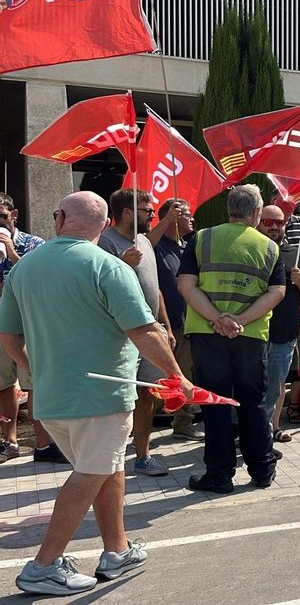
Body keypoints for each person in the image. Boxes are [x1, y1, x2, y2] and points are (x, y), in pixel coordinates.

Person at [1, 191, 191, 595]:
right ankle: (43, 565)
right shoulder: (108, 266)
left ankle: (117, 549)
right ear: (105, 226)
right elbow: (143, 331)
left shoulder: (24, 267)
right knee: (93, 471)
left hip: (52, 397)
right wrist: (178, 377)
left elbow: (9, 337)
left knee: (107, 467)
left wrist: (35, 367)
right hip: (103, 393)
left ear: (59, 219)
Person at [179, 184, 286, 494]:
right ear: (255, 213)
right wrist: (240, 320)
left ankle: (219, 475)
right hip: (251, 336)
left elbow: (186, 285)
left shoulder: (201, 238)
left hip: (206, 333)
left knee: (215, 405)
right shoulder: (269, 247)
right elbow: (277, 292)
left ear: (229, 210)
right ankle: (262, 469)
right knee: (253, 404)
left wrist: (216, 318)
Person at [97, 189, 174, 478]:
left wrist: (164, 324)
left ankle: (143, 456)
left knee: (146, 394)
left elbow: (155, 286)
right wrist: (123, 265)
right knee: (122, 397)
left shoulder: (144, 240)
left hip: (150, 330)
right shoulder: (105, 242)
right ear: (127, 212)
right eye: (147, 210)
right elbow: (101, 288)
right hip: (122, 335)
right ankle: (109, 458)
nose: (152, 215)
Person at [0, 193, 63, 465]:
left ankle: (43, 443)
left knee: (34, 382)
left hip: (28, 324)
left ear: (14, 215)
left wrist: (12, 253)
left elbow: (41, 277)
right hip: (3, 325)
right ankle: (10, 441)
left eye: (2, 216)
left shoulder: (33, 243)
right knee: (3, 384)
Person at [257, 206, 300, 444]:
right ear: (258, 223)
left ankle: (272, 428)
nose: (274, 227)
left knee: (277, 384)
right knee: (253, 386)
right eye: (267, 222)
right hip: (252, 333)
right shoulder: (252, 251)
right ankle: (253, 430)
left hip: (284, 334)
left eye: (279, 223)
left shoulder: (296, 254)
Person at [147, 198, 204, 441]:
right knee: (171, 376)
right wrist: (166, 220)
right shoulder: (156, 245)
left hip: (190, 321)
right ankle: (177, 421)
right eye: (187, 214)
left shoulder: (188, 246)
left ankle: (184, 420)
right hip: (167, 323)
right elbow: (145, 246)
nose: (192, 218)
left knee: (185, 373)